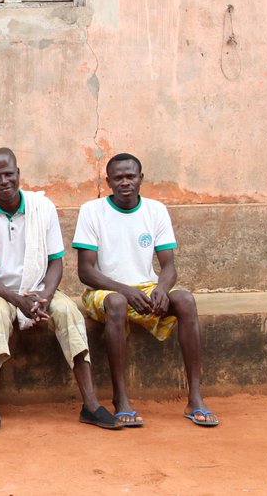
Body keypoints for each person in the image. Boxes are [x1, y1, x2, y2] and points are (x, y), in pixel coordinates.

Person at [0, 149, 122, 436]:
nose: (3, 181)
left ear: (18, 173)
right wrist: (17, 300)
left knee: (67, 312)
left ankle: (90, 404)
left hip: (39, 287)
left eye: (8, 174)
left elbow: (55, 262)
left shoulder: (42, 208)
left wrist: (45, 297)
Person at [74, 153, 218, 427]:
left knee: (185, 300)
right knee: (116, 303)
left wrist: (162, 289)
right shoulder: (92, 212)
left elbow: (169, 267)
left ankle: (195, 398)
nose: (125, 182)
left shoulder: (155, 210)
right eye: (118, 178)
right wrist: (126, 291)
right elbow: (86, 272)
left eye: (130, 176)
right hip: (105, 291)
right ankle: (121, 400)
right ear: (108, 182)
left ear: (141, 178)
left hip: (145, 287)